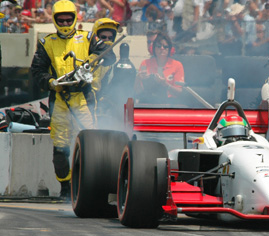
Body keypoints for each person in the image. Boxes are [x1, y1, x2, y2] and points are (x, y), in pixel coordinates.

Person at [30, 0, 115, 200]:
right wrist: (51, 82)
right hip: (59, 97)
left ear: (75, 19)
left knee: (90, 142)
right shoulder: (47, 42)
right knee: (60, 146)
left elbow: (110, 56)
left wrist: (93, 59)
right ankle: (65, 188)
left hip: (84, 97)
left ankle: (89, 186)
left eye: (69, 20)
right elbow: (37, 70)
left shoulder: (88, 37)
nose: (66, 24)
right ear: (55, 20)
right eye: (62, 20)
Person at [134, 32, 184, 104]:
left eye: (165, 46)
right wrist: (138, 79)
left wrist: (165, 84)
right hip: (147, 102)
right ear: (153, 48)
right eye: (159, 46)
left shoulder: (177, 65)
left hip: (169, 104)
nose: (162, 48)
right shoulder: (145, 63)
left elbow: (179, 93)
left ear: (170, 49)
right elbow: (137, 92)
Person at [90, 18, 123, 125]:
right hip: (86, 103)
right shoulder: (89, 58)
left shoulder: (114, 63)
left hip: (104, 107)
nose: (107, 40)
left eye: (110, 37)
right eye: (103, 37)